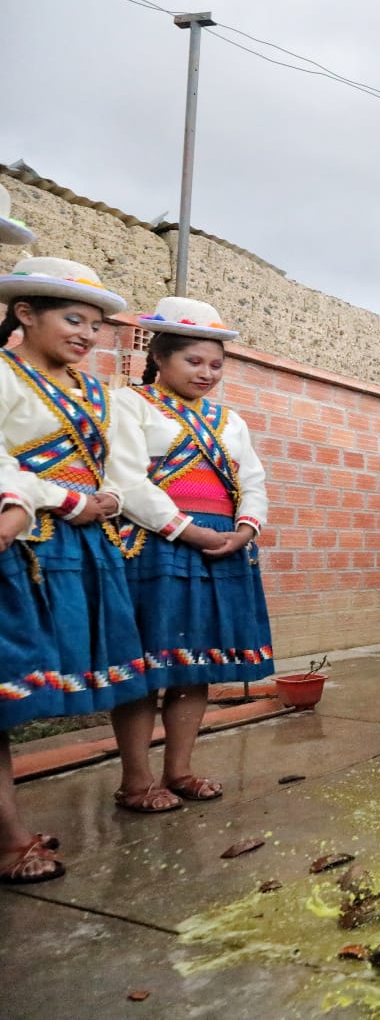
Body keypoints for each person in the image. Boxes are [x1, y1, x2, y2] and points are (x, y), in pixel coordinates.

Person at [0, 256, 151, 881]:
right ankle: (10, 840)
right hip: (22, 545)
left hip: (88, 547)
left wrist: (109, 499)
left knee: (123, 671)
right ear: (25, 313)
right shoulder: (3, 375)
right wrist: (62, 499)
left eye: (95, 325)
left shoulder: (98, 395)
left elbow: (124, 470)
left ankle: (138, 781)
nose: (87, 334)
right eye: (72, 319)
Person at [106, 297, 274, 811]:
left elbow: (252, 481)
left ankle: (178, 770)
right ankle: (136, 781)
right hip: (155, 546)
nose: (206, 373)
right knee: (146, 666)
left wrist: (245, 528)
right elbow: (125, 479)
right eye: (193, 361)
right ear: (159, 356)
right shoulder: (128, 404)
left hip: (221, 548)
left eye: (216, 365)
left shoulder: (229, 420)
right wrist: (186, 530)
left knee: (194, 664)